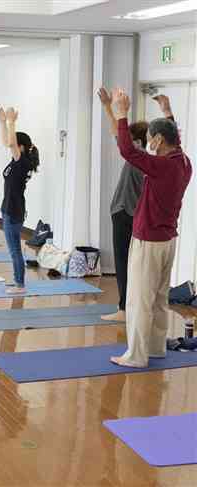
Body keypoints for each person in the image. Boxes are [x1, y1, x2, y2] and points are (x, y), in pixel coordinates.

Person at [109, 88, 192, 368]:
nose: (147, 143)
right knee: (158, 298)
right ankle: (156, 348)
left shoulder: (160, 166)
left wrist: (121, 114)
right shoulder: (183, 162)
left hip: (149, 241)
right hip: (168, 241)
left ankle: (136, 355)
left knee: (139, 299)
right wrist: (168, 112)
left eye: (149, 139)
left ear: (157, 140)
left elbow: (126, 150)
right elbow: (176, 140)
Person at [96, 87, 154, 323]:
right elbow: (118, 134)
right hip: (132, 214)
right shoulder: (150, 158)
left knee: (123, 262)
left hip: (125, 214)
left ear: (138, 140)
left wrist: (113, 108)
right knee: (131, 263)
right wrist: (108, 107)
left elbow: (120, 136)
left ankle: (124, 309)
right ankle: (131, 306)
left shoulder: (139, 154)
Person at [0, 107, 39, 295]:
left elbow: (11, 144)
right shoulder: (19, 161)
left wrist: (12, 122)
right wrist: (2, 123)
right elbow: (8, 142)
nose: (10, 146)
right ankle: (17, 281)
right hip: (11, 208)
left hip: (13, 211)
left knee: (14, 249)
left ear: (20, 146)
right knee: (13, 248)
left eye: (15, 145)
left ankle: (20, 284)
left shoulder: (22, 162)